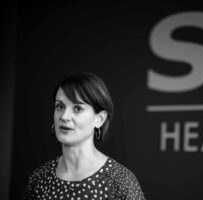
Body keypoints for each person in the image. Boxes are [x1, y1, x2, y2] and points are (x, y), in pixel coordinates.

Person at [22, 72, 146, 200]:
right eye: (60, 106)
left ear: (99, 119)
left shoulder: (120, 181)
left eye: (77, 109)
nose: (64, 116)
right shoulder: (39, 178)